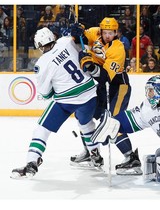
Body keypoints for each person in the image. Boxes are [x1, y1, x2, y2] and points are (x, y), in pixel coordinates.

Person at [10, 27, 98, 178]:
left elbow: (45, 94)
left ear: (39, 45)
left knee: (41, 129)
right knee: (86, 124)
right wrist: (80, 33)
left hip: (67, 100)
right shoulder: (65, 41)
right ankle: (96, 156)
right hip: (90, 94)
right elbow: (83, 43)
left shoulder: (42, 63)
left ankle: (32, 163)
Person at [70, 17, 142, 175]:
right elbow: (82, 37)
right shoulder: (96, 33)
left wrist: (89, 64)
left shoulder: (118, 49)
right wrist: (76, 32)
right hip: (103, 88)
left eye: (111, 33)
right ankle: (91, 152)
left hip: (118, 87)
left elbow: (104, 77)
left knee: (112, 122)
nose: (108, 35)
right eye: (105, 32)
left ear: (116, 33)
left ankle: (131, 158)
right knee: (84, 113)